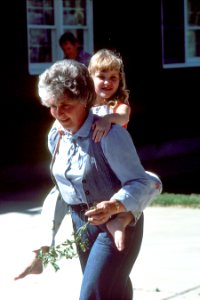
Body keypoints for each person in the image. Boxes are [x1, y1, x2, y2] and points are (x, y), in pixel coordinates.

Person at [14, 59, 162, 299]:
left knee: (91, 295)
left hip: (117, 224)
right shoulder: (56, 135)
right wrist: (42, 247)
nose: (58, 113)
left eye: (66, 105)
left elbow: (144, 182)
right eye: (52, 105)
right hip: (82, 225)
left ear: (84, 99)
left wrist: (115, 206)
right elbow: (61, 190)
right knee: (113, 293)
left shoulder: (108, 134)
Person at [89, 48, 162, 251]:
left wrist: (107, 119)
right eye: (101, 76)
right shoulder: (84, 106)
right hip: (94, 169)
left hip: (117, 170)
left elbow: (124, 117)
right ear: (90, 77)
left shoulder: (118, 106)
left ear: (120, 80)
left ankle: (123, 218)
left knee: (152, 182)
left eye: (113, 77)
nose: (107, 82)